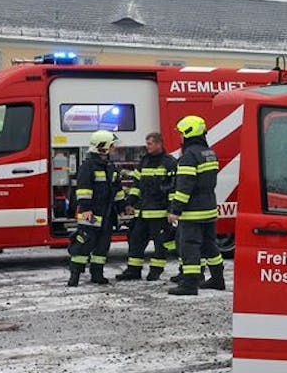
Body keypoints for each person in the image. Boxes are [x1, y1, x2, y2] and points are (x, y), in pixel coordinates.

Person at [167, 115, 224, 296]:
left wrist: (175, 210)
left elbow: (184, 187)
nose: (180, 137)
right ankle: (217, 279)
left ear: (188, 134)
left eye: (182, 133)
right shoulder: (209, 153)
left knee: (189, 246)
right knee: (210, 246)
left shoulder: (188, 157)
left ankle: (189, 285)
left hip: (192, 212)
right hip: (209, 208)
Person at [117, 132, 178, 282]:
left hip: (159, 213)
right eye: (147, 143)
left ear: (159, 144)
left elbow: (173, 189)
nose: (147, 146)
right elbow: (137, 185)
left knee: (160, 245)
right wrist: (130, 202)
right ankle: (133, 271)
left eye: (150, 143)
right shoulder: (144, 161)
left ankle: (155, 271)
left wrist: (172, 210)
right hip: (142, 212)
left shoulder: (169, 162)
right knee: (135, 241)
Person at [67, 131, 124, 286]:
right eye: (112, 146)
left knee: (102, 247)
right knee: (83, 245)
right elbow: (83, 190)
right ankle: (75, 275)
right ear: (103, 147)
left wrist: (122, 207)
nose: (114, 148)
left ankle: (97, 274)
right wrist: (85, 209)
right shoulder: (88, 166)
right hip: (91, 214)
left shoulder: (110, 166)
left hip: (107, 214)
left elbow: (117, 190)